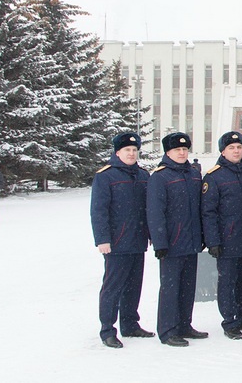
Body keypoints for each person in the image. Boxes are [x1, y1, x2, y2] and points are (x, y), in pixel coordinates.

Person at [90, 132, 153, 348]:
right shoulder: (106, 176)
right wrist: (102, 239)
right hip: (116, 243)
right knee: (112, 287)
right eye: (127, 150)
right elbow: (99, 211)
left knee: (134, 285)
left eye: (135, 150)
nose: (132, 154)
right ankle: (107, 329)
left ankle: (130, 323)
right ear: (118, 152)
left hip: (138, 240)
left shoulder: (143, 175)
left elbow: (149, 209)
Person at [147, 132, 206, 347]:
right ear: (168, 152)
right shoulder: (160, 177)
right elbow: (155, 213)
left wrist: (201, 237)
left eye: (184, 149)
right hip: (171, 244)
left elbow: (199, 209)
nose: (182, 153)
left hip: (191, 241)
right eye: (177, 150)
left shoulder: (193, 174)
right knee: (170, 288)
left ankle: (184, 325)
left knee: (188, 287)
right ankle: (168, 330)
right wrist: (160, 242)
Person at [202, 132, 242, 340]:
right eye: (231, 148)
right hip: (227, 240)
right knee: (227, 282)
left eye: (239, 147)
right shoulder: (214, 176)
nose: (236, 151)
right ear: (222, 151)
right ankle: (230, 321)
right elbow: (208, 212)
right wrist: (213, 241)